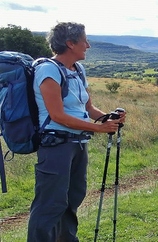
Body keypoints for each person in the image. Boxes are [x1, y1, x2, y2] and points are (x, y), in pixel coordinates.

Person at [28, 22, 126, 242]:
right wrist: (98, 128)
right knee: (50, 203)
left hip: (78, 144)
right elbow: (58, 116)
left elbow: (88, 109)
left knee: (73, 198)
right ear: (70, 43)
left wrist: (108, 118)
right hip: (56, 145)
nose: (88, 45)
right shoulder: (47, 70)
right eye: (84, 41)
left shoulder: (77, 70)